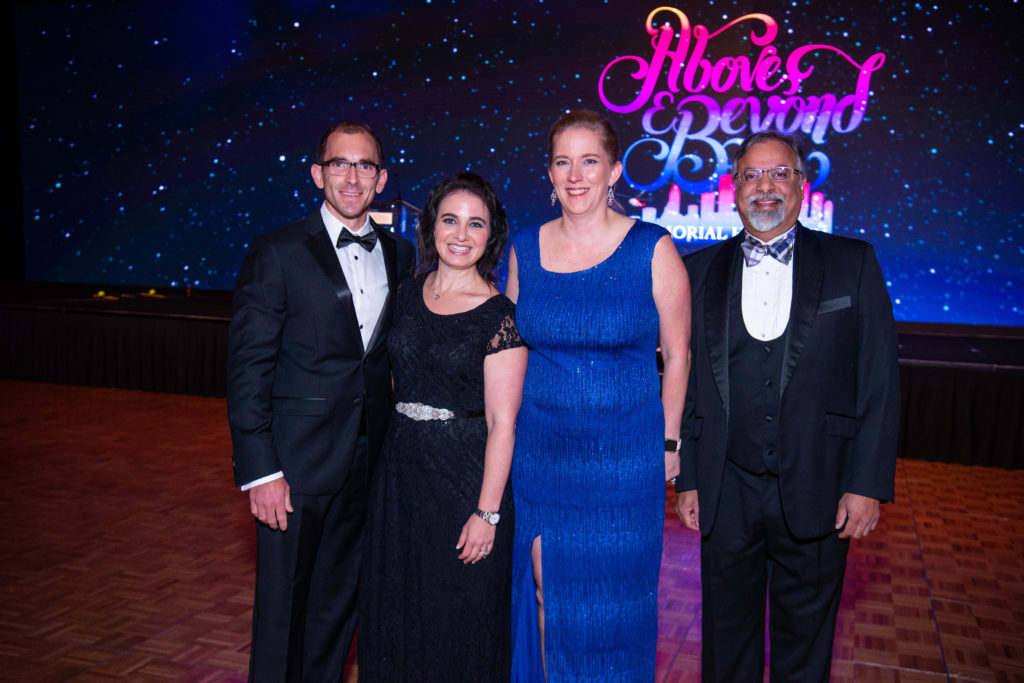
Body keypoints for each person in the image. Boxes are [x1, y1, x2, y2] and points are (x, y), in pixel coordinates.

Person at [674, 131, 900, 681]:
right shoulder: (697, 270)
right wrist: (690, 477)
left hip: (820, 489)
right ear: (734, 188)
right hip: (726, 490)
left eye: (779, 174)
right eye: (752, 174)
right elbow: (689, 382)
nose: (766, 186)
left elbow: (879, 382)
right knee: (726, 643)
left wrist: (867, 483)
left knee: (806, 647)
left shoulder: (853, 263)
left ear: (802, 185)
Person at [506, 110, 691, 681]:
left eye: (590, 161)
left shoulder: (652, 249)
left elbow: (679, 356)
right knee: (546, 591)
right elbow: (508, 353)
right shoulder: (523, 251)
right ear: (550, 173)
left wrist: (669, 442)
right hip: (541, 456)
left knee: (616, 606)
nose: (576, 174)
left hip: (625, 461)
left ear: (614, 171)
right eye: (563, 161)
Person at [227, 120, 414, 681]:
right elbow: (247, 368)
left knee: (338, 607)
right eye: (339, 164)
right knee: (283, 609)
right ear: (317, 174)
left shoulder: (402, 254)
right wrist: (260, 471)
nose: (351, 177)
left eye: (364, 166)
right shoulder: (277, 251)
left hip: (366, 463)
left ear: (380, 178)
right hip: (295, 466)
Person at [358, 172, 528, 681]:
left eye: (475, 224)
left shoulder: (501, 316)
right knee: (395, 609)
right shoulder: (406, 295)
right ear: (430, 226)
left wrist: (487, 513)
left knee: (461, 617)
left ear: (491, 235)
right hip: (400, 475)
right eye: (450, 219)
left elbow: (503, 424)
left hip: (465, 481)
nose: (460, 234)